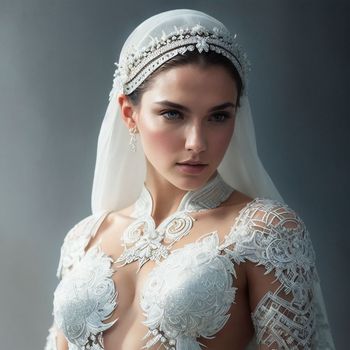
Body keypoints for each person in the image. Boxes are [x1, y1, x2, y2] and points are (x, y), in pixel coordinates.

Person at [44, 9, 335, 350]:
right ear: (129, 113)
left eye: (218, 116)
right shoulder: (83, 239)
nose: (197, 142)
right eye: (173, 113)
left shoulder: (264, 231)